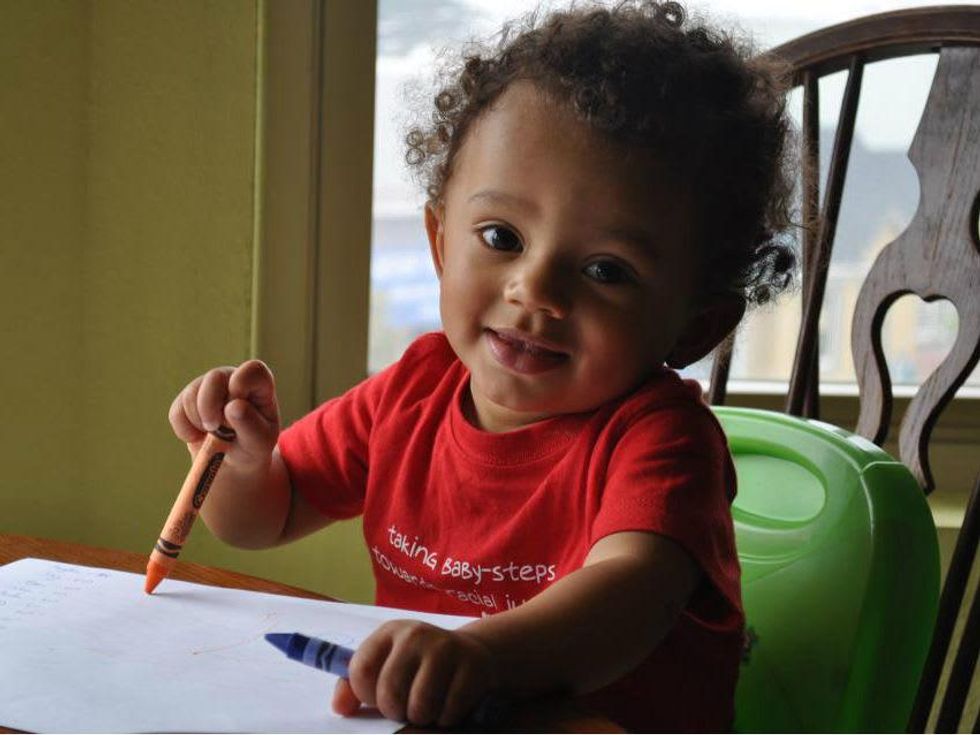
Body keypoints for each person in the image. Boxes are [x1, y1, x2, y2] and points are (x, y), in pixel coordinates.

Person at [168, 1, 797, 730]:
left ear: (697, 323)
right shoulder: (414, 389)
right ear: (440, 242)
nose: (534, 289)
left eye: (606, 270)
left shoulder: (661, 440)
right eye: (501, 234)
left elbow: (631, 593)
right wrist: (240, 463)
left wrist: (484, 656)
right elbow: (263, 518)